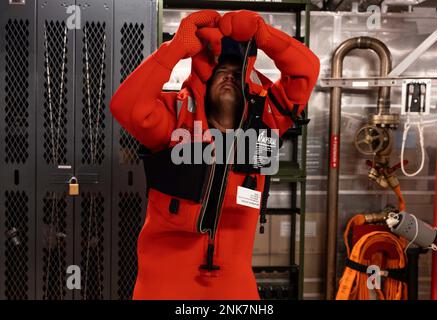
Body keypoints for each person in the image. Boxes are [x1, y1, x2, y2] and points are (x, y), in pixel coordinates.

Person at [110, 10, 320, 300]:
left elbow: (306, 71)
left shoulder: (266, 121)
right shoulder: (176, 116)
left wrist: (266, 36)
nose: (229, 79)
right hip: (163, 285)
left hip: (235, 286)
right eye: (222, 73)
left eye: (236, 74)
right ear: (205, 80)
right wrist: (174, 49)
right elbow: (126, 106)